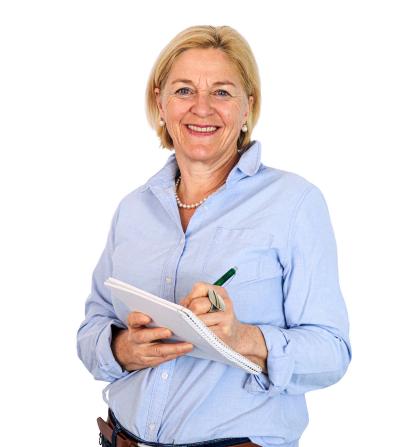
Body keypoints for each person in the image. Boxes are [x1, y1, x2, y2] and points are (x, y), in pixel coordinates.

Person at [77, 25, 351, 447]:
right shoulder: (133, 209)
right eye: (184, 90)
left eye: (221, 92)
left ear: (247, 106)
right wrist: (121, 349)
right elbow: (91, 327)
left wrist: (242, 337)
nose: (201, 108)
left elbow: (332, 353)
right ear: (160, 103)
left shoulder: (294, 203)